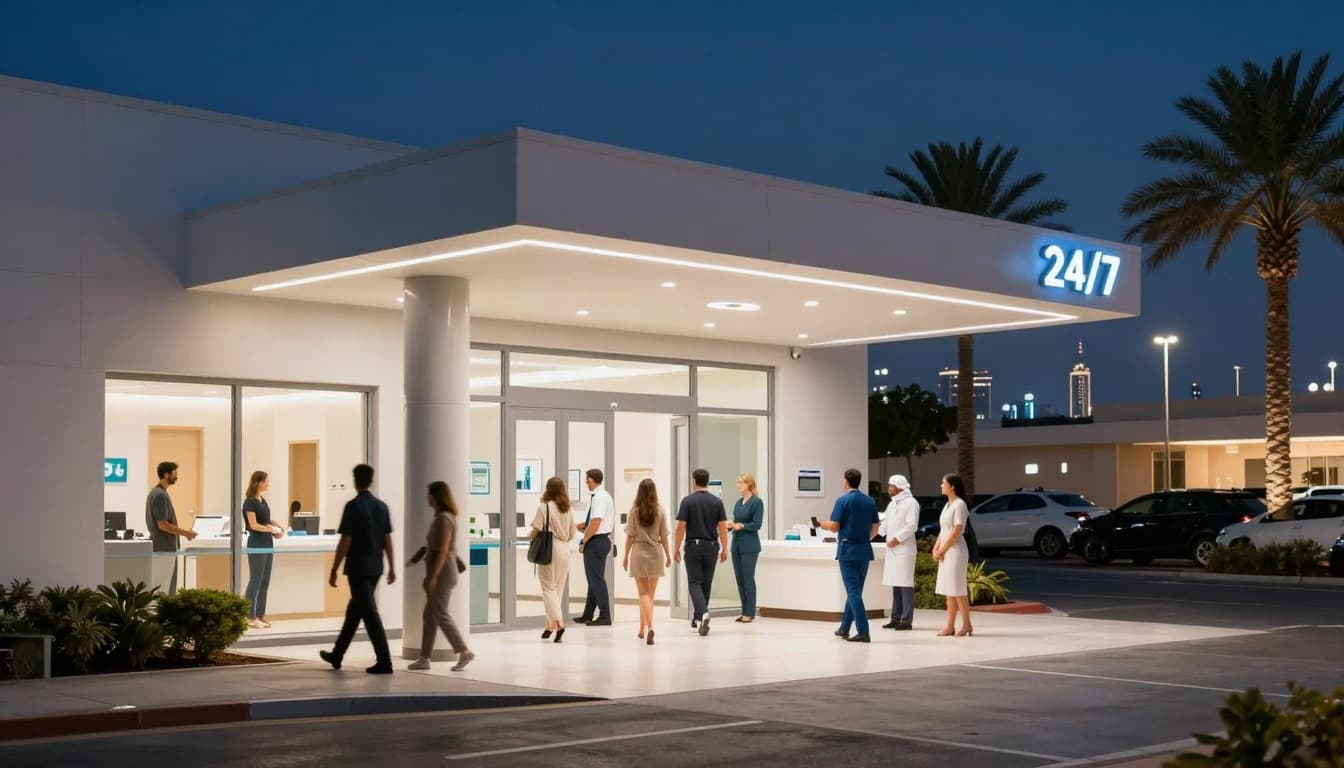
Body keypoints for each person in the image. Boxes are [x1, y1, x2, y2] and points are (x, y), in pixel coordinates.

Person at [321, 464, 396, 674]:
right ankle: (337, 654)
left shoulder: (353, 506)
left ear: (355, 480)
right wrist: (392, 566)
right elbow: (387, 539)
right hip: (375, 568)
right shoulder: (381, 507)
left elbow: (346, 539)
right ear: (371, 480)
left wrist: (335, 567)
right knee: (354, 612)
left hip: (357, 568)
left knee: (370, 614)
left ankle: (385, 661)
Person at [408, 481, 475, 671]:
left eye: (429, 494)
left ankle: (463, 651)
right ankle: (425, 657)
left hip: (443, 572)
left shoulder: (444, 519)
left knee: (440, 613)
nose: (427, 498)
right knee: (430, 614)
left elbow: (444, 549)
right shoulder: (444, 517)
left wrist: (433, 576)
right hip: (441, 571)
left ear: (436, 497)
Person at [817, 468, 880, 642]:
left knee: (853, 591)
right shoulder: (869, 501)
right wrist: (864, 538)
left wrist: (823, 524)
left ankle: (863, 631)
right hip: (864, 550)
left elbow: (835, 526)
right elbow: (875, 528)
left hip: (848, 550)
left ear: (846, 481)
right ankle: (844, 628)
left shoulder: (843, 500)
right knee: (857, 590)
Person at [673, 468, 728, 636]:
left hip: (693, 546)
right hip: (712, 546)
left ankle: (703, 613)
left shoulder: (687, 501)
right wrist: (725, 548)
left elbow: (681, 527)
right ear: (707, 481)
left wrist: (675, 548)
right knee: (706, 583)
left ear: (694, 481)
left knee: (694, 583)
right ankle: (697, 619)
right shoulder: (716, 502)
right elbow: (723, 527)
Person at [621, 479, 671, 645]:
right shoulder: (660, 511)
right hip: (656, 553)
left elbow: (629, 537)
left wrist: (625, 556)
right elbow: (664, 536)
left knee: (643, 594)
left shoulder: (634, 512)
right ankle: (642, 628)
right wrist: (669, 556)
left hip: (639, 552)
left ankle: (649, 627)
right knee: (650, 595)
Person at [531, 477, 579, 642]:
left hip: (549, 549)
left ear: (548, 489)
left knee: (548, 589)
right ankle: (549, 626)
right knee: (557, 589)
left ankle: (559, 623)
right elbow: (573, 533)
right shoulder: (568, 509)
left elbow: (535, 530)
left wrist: (530, 536)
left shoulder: (544, 507)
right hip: (565, 549)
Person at [144, 461, 197, 596]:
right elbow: (163, 524)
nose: (176, 476)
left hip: (162, 546)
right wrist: (186, 533)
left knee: (161, 584)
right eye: (175, 473)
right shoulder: (160, 495)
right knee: (163, 586)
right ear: (166, 475)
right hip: (164, 547)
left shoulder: (155, 493)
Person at [933, 473, 974, 637]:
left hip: (956, 551)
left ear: (952, 486)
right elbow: (943, 530)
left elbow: (957, 530)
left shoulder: (959, 505)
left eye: (943, 483)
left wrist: (942, 550)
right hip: (946, 550)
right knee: (949, 589)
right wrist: (936, 547)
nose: (941, 486)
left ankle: (967, 625)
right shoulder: (948, 505)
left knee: (958, 589)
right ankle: (949, 626)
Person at [242, 470, 284, 629]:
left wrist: (278, 526)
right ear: (259, 482)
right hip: (257, 543)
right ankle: (249, 616)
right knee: (255, 580)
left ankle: (260, 615)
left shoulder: (262, 500)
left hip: (267, 543)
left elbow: (266, 520)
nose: (268, 483)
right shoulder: (249, 502)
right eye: (267, 481)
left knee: (265, 581)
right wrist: (272, 530)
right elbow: (253, 525)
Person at [574, 468, 615, 626]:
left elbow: (597, 522)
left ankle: (605, 616)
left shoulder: (598, 497)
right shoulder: (604, 496)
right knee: (593, 579)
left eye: (586, 480)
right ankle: (588, 614)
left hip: (596, 541)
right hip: (600, 540)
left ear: (591, 480)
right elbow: (596, 522)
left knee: (596, 580)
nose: (586, 483)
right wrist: (585, 526)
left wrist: (584, 540)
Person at [879, 475, 920, 631]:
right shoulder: (892, 505)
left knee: (905, 584)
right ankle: (895, 618)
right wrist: (873, 534)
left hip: (904, 550)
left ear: (900, 487)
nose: (889, 488)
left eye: (891, 485)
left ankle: (906, 620)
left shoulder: (911, 503)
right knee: (896, 584)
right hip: (893, 550)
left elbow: (912, 526)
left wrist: (897, 539)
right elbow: (885, 525)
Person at [729, 473, 764, 623]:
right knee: (740, 580)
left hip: (749, 545)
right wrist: (731, 525)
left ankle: (749, 612)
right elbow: (736, 521)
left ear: (749, 484)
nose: (738, 485)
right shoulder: (738, 502)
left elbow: (757, 524)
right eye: (737, 482)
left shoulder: (757, 502)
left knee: (748, 579)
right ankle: (744, 611)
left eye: (741, 482)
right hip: (736, 544)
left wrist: (741, 526)